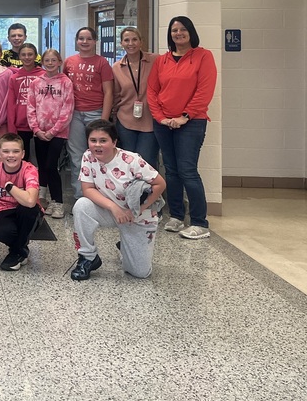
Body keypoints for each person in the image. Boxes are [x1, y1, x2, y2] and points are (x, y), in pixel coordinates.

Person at [148, 16, 217, 241]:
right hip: (164, 124)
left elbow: (204, 91)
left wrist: (185, 116)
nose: (178, 33)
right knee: (171, 170)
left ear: (191, 31)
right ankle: (176, 216)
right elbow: (152, 91)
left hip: (191, 122)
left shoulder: (203, 56)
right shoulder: (162, 60)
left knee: (188, 170)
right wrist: (161, 118)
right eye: (174, 30)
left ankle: (199, 223)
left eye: (183, 29)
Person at [70, 120, 166, 281]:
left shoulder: (132, 160)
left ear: (114, 142)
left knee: (140, 273)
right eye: (93, 140)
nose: (97, 145)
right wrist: (113, 208)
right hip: (111, 211)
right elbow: (87, 189)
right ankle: (88, 257)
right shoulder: (88, 156)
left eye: (103, 140)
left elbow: (160, 184)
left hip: (135, 215)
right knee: (81, 206)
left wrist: (138, 210)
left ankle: (125, 246)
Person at [64, 27, 114, 201]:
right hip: (74, 114)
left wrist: (104, 121)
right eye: (81, 38)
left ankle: (101, 197)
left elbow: (109, 92)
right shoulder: (69, 62)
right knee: (77, 156)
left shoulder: (102, 63)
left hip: (96, 113)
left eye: (88, 39)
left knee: (99, 155)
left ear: (95, 41)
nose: (84, 42)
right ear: (76, 41)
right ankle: (80, 197)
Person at [27, 48, 74, 219]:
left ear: (60, 62)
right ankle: (43, 199)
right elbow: (30, 107)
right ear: (42, 62)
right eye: (47, 60)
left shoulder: (65, 82)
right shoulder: (35, 83)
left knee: (51, 166)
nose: (50, 63)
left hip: (58, 133)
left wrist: (53, 131)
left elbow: (67, 109)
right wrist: (36, 130)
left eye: (54, 60)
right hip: (39, 132)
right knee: (42, 167)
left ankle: (58, 202)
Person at [0, 133, 42, 271]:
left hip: (27, 211)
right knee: (1, 232)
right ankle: (21, 250)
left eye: (16, 151)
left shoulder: (30, 170)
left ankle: (15, 253)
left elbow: (30, 201)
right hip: (3, 208)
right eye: (6, 151)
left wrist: (10, 187)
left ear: (23, 154)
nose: (11, 155)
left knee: (28, 209)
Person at [112, 27, 159, 166]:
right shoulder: (117, 67)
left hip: (151, 121)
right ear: (121, 43)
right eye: (126, 40)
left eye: (134, 39)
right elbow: (116, 95)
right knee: (128, 163)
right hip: (125, 121)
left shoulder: (156, 60)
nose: (130, 43)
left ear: (141, 42)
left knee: (146, 163)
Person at [4, 43, 41, 160]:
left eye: (30, 54)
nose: (27, 57)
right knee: (22, 160)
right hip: (21, 126)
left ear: (36, 56)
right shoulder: (14, 78)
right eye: (23, 55)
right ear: (19, 56)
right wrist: (11, 128)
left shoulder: (44, 75)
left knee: (41, 161)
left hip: (40, 125)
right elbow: (11, 104)